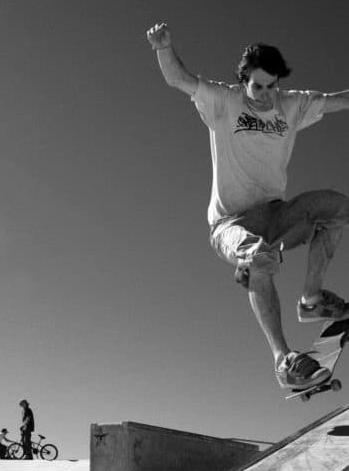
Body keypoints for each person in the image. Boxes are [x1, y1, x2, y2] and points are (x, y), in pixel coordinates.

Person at [147, 22, 349, 391]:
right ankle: (284, 361)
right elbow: (180, 79)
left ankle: (312, 300)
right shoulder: (223, 100)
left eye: (273, 87)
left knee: (337, 207)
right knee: (257, 256)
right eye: (257, 87)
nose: (266, 95)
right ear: (244, 81)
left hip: (277, 214)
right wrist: (163, 48)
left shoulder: (292, 105)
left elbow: (340, 99)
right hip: (230, 224)